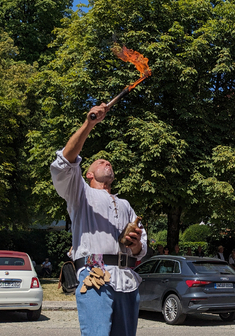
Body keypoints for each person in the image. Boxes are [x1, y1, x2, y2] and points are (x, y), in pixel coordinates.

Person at [50, 103, 146, 336]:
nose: (107, 163)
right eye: (101, 162)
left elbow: (141, 249)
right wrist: (89, 123)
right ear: (89, 173)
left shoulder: (125, 205)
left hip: (127, 280)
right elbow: (65, 161)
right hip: (95, 276)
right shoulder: (80, 192)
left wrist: (136, 246)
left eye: (109, 163)